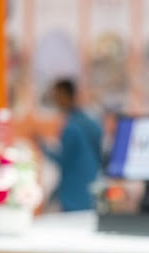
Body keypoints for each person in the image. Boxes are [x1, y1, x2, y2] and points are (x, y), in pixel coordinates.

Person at [39, 79, 102, 211]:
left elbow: (63, 160)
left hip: (75, 191)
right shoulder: (88, 121)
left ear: (66, 95)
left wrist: (42, 147)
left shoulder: (72, 127)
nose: (55, 99)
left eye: (57, 95)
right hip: (88, 188)